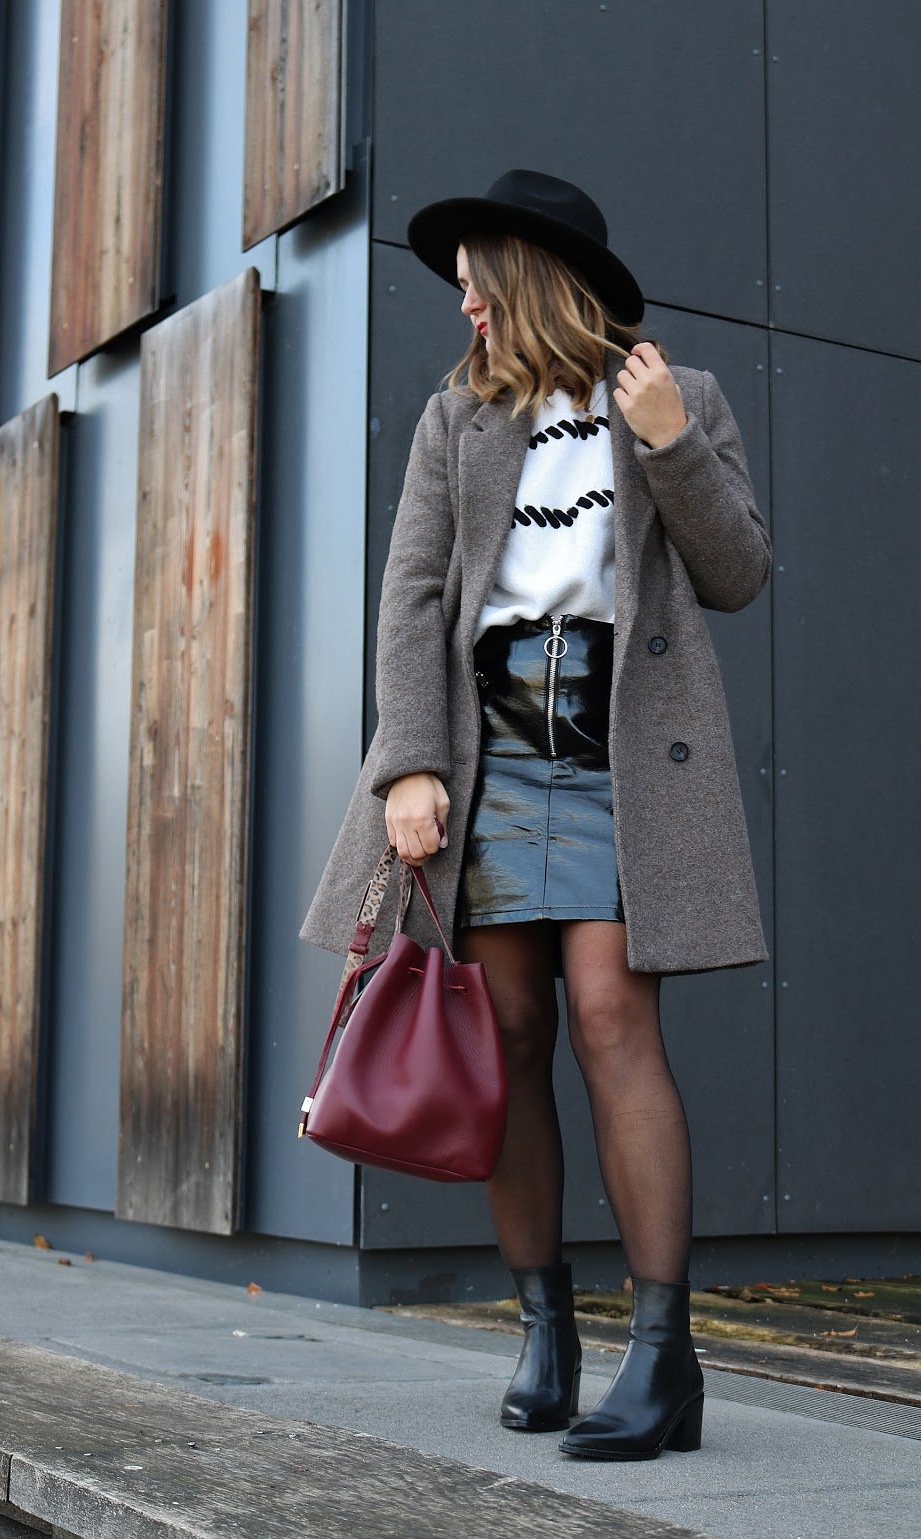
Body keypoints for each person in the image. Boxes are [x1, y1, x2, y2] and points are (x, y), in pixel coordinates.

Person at [300, 170, 769, 1461]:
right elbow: (409, 600)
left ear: (535, 278)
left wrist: (671, 437)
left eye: (477, 279)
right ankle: (543, 1331)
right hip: (489, 753)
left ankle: (666, 1361)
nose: (463, 303)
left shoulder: (676, 399)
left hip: (621, 753)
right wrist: (407, 763)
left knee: (615, 1018)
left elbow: (736, 573)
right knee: (505, 1032)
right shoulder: (459, 420)